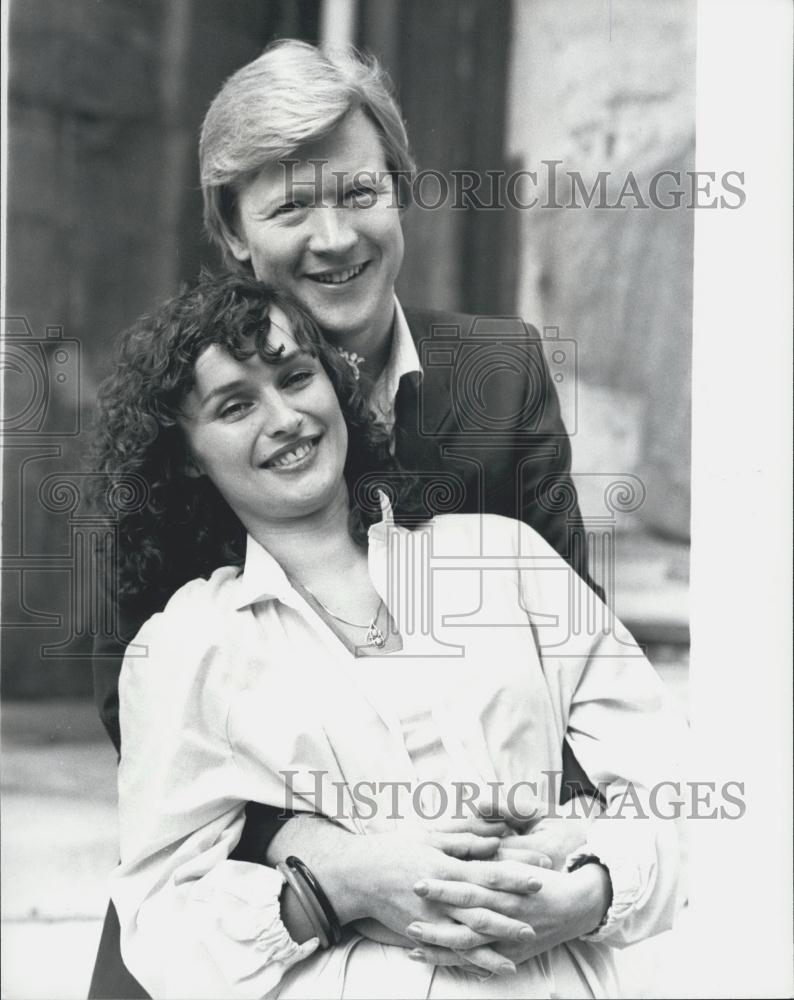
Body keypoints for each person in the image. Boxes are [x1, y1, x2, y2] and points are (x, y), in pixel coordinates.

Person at [90, 39, 601, 997]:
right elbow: (141, 709)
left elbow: (582, 661)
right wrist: (331, 860)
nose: (334, 237)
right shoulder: (179, 404)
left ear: (399, 193)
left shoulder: (502, 374)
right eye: (289, 207)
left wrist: (535, 863)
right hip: (269, 877)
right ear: (234, 234)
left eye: (359, 193)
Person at [91, 272, 684, 999]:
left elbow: (671, 787)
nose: (283, 418)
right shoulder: (185, 646)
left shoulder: (504, 556)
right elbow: (158, 917)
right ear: (186, 453)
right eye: (235, 405)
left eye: (295, 376)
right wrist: (338, 888)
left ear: (336, 386)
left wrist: (590, 890)